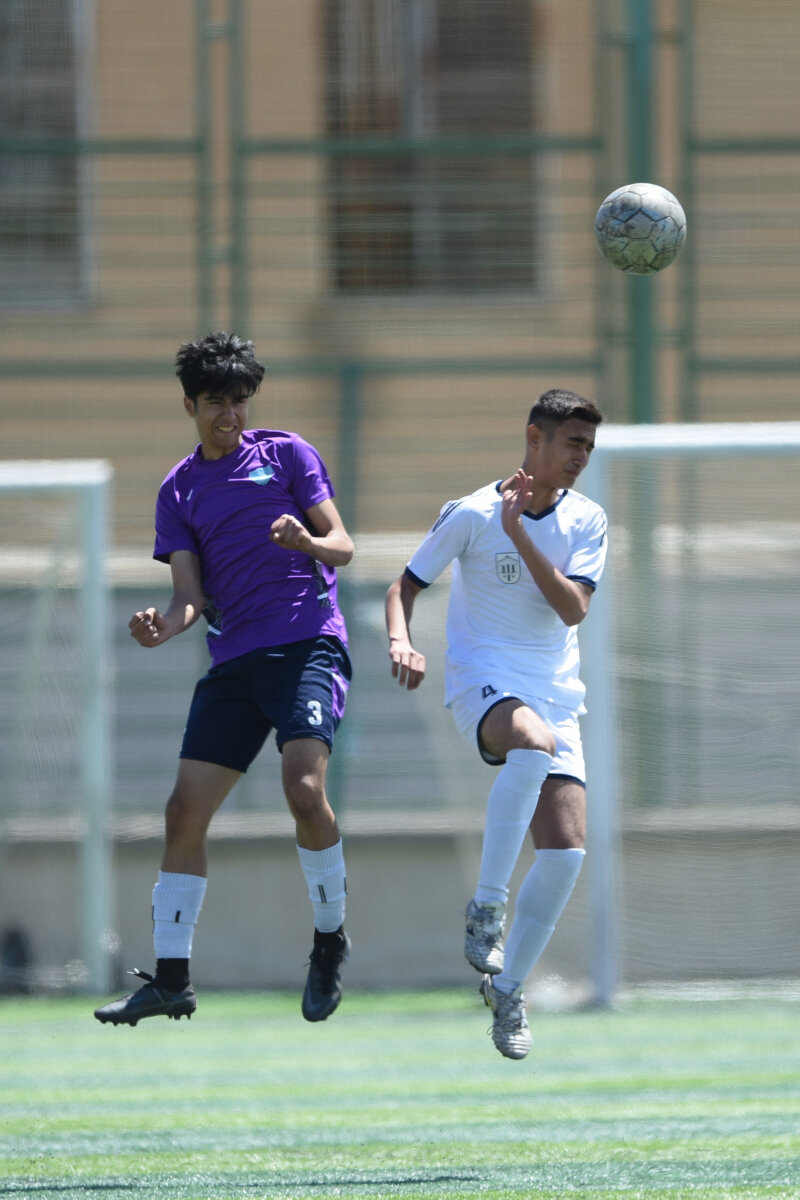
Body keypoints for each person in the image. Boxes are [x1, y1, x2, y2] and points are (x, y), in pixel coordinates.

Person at [95, 332, 354, 1027]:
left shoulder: (288, 455)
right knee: (183, 813)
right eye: (216, 402)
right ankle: (171, 979)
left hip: (306, 646)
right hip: (234, 662)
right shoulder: (178, 489)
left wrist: (306, 541)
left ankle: (329, 941)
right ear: (190, 405)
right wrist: (163, 626)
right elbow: (189, 596)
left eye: (240, 401)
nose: (230, 415)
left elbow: (343, 546)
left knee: (304, 789)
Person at [385, 389, 607, 1060]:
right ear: (534, 438)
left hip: (556, 695)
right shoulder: (473, 512)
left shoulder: (588, 519)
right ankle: (486, 906)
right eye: (572, 443)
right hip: (482, 683)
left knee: (566, 855)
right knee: (531, 744)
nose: (581, 457)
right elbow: (405, 586)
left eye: (589, 447)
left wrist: (520, 536)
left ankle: (507, 990)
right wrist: (400, 640)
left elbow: (572, 609)